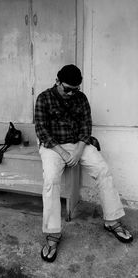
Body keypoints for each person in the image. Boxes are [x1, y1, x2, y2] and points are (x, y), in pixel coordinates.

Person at [35, 64, 133, 263]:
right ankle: (53, 233)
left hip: (78, 143)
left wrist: (78, 151)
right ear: (57, 82)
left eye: (75, 89)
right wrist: (62, 152)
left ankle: (112, 220)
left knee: (102, 170)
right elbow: (41, 130)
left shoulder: (81, 98)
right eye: (67, 89)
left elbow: (86, 126)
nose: (72, 93)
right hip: (53, 146)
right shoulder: (44, 98)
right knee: (51, 180)